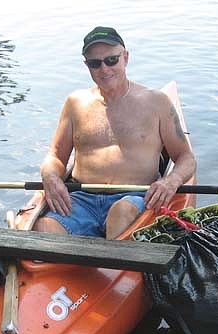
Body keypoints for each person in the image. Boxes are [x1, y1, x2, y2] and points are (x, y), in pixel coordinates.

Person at [33, 26, 197, 239]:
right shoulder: (75, 103)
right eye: (95, 63)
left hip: (136, 198)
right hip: (81, 200)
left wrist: (170, 181)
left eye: (111, 60)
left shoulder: (157, 103)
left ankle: (112, 264)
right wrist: (50, 176)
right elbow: (55, 155)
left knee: (119, 214)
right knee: (43, 230)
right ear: (87, 66)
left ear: (125, 58)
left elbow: (186, 158)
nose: (104, 69)